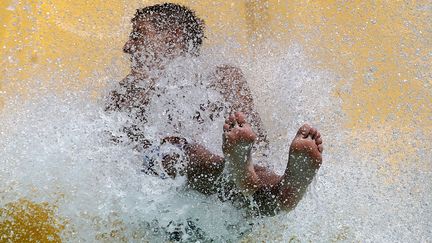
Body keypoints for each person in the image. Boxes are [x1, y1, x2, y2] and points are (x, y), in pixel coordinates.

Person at [105, 3, 323, 216]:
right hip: (163, 206)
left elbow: (259, 148)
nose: (127, 46)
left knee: (244, 172)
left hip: (224, 210)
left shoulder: (223, 78)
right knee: (176, 149)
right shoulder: (127, 93)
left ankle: (273, 185)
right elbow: (114, 162)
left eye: (138, 35)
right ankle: (274, 187)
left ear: (173, 38)